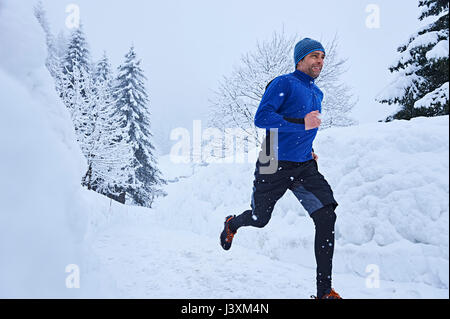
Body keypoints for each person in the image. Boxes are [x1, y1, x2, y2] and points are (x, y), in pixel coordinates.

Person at [219, 38, 341, 299]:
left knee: (326, 215)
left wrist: (308, 147)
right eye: (314, 56)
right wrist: (301, 124)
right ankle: (232, 224)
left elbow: (308, 128)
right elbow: (262, 118)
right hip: (272, 160)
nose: (319, 61)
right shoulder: (283, 83)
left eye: (322, 56)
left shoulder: (318, 94)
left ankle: (324, 292)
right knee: (259, 219)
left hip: (304, 165)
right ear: (300, 60)